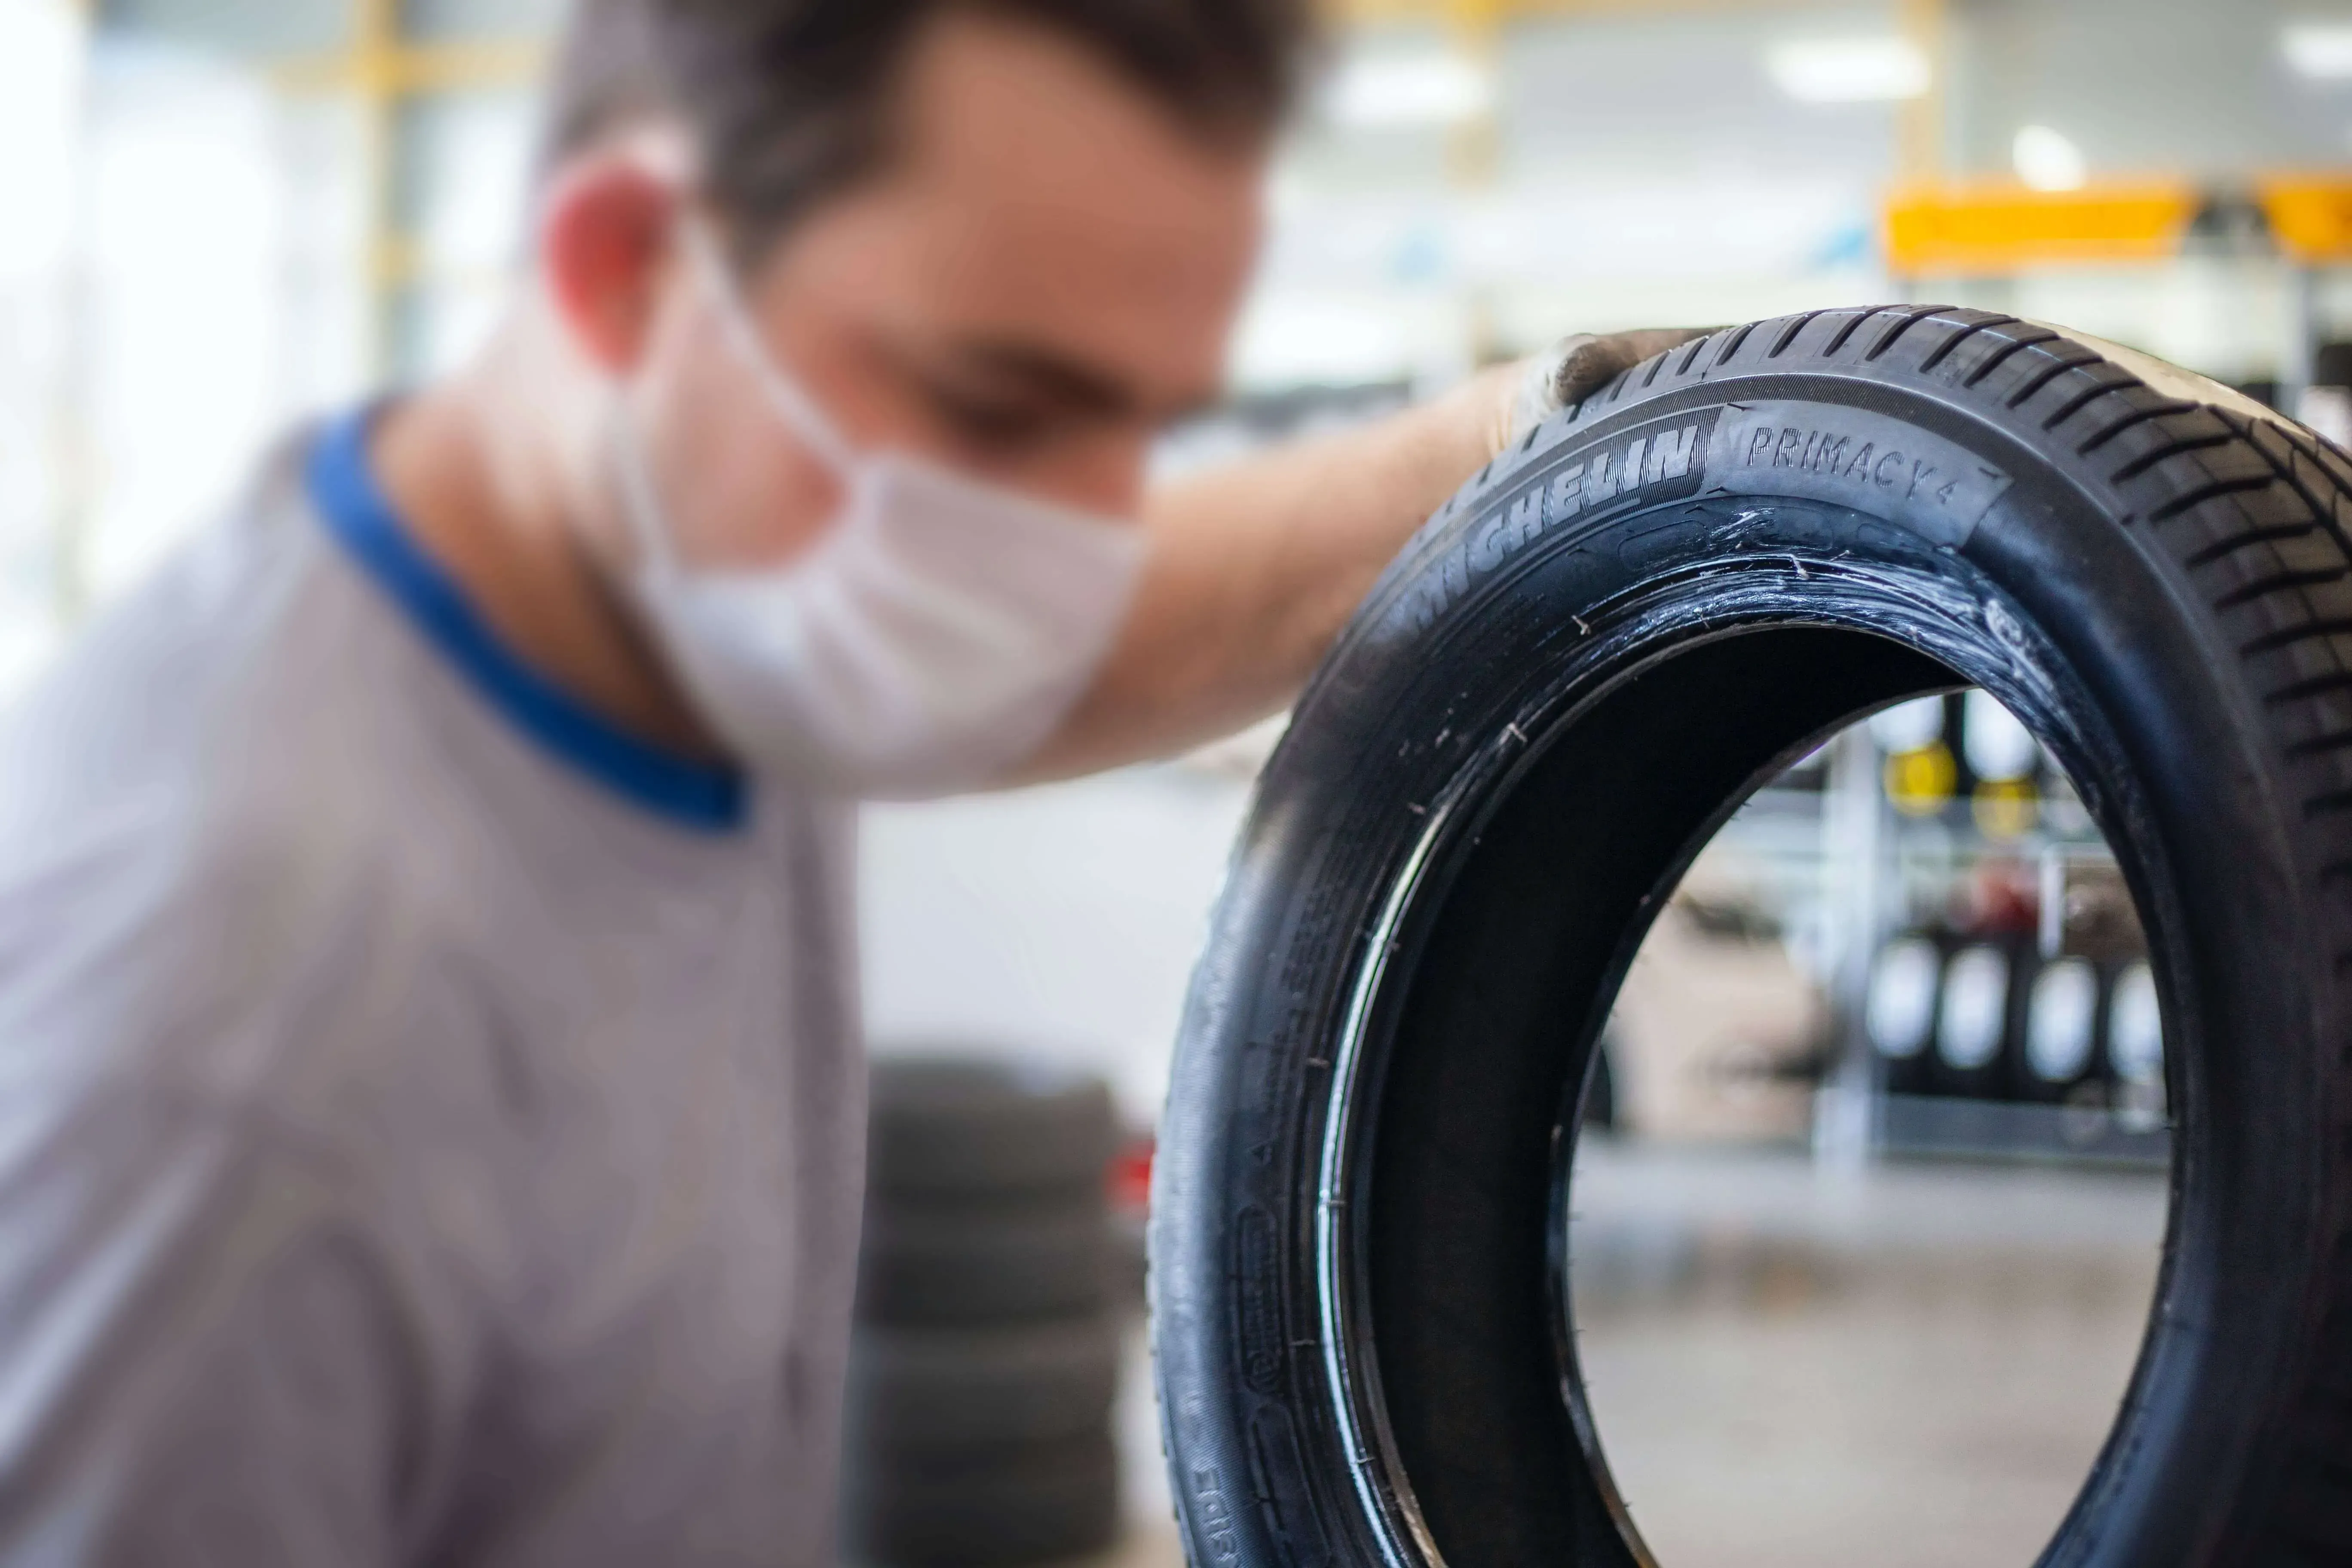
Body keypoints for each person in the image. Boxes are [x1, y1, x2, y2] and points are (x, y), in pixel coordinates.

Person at [0, 1, 1695, 1561]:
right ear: (627, 270)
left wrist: (1525, 436)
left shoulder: (701, 601)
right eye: (999, 403)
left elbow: (1152, 610)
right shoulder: (230, 1029)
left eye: (1130, 419)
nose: (1076, 522)